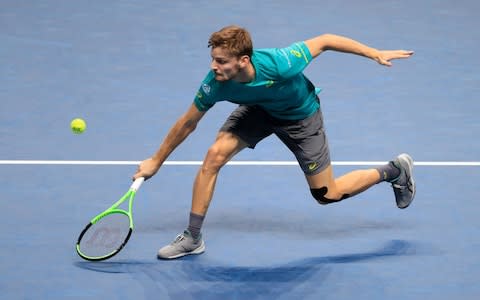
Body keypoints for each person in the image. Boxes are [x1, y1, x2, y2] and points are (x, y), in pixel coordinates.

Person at [133, 25, 415, 260]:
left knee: (327, 194)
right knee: (214, 156)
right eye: (213, 59)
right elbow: (187, 122)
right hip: (259, 110)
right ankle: (193, 237)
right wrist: (156, 160)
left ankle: (393, 171)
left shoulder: (281, 63)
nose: (213, 66)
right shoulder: (215, 83)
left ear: (243, 61)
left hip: (300, 116)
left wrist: (374, 53)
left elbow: (326, 40)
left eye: (221, 61)